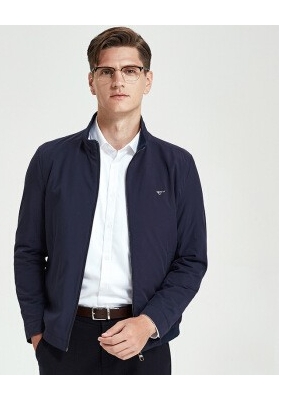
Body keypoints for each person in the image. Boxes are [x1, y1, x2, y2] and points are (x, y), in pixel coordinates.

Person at [14, 26, 207, 375]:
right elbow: (28, 252)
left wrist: (150, 323)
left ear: (147, 80)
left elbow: (191, 260)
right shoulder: (51, 159)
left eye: (130, 70)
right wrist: (38, 334)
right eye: (107, 71)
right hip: (65, 343)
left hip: (142, 341)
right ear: (92, 81)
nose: (118, 81)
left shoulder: (177, 165)